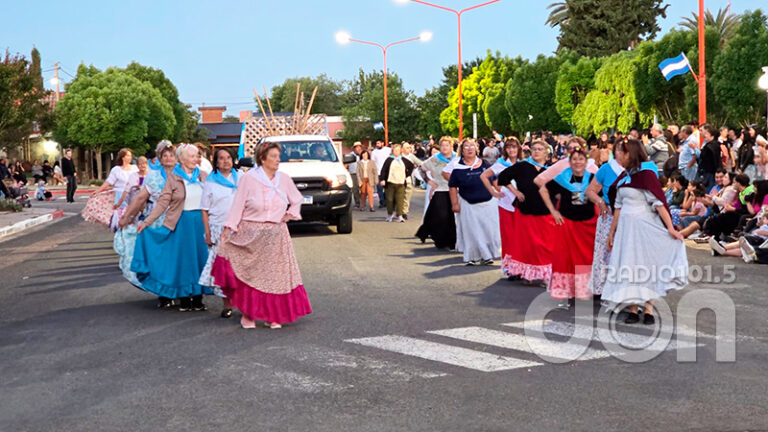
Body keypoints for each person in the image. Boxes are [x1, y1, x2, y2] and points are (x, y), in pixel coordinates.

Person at [211, 142, 312, 329]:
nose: (277, 160)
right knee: (252, 276)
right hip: (251, 232)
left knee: (274, 278)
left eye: (278, 156)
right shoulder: (249, 178)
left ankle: (272, 315)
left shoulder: (284, 178)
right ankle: (249, 315)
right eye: (273, 156)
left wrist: (289, 215)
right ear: (262, 158)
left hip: (276, 234)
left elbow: (297, 199)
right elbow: (238, 205)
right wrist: (229, 228)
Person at [603, 139, 688, 324]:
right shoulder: (623, 177)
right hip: (626, 230)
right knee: (629, 266)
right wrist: (612, 232)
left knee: (646, 266)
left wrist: (671, 229)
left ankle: (648, 308)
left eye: (618, 151)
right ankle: (633, 308)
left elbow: (659, 204)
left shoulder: (646, 175)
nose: (615, 154)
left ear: (629, 153)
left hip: (644, 228)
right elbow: (617, 206)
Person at [132, 144, 211, 311]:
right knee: (184, 261)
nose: (195, 159)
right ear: (181, 159)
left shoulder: (203, 176)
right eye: (192, 156)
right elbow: (162, 203)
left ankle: (198, 297)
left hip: (200, 223)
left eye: (197, 156)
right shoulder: (174, 178)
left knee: (199, 259)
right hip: (181, 223)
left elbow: (214, 198)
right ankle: (184, 298)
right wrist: (146, 222)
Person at [539, 149, 598, 308]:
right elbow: (543, 189)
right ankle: (569, 292)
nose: (578, 162)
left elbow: (603, 194)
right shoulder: (562, 178)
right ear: (570, 162)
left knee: (589, 258)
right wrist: (553, 211)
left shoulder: (593, 178)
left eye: (581, 159)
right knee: (567, 259)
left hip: (588, 225)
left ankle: (589, 291)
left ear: (586, 162)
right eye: (574, 159)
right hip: (568, 225)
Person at [118, 143, 177, 296]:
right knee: (160, 258)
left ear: (177, 159)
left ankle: (180, 289)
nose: (168, 158)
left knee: (177, 257)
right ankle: (163, 292)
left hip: (179, 220)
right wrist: (127, 216)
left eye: (171, 155)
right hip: (158, 221)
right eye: (165, 156)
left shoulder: (182, 175)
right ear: (160, 159)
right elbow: (140, 199)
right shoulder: (154, 177)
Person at [497, 140, 555, 283]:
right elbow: (503, 177)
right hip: (525, 210)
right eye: (534, 149)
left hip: (545, 211)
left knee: (544, 245)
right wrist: (515, 192)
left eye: (540, 149)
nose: (536, 151)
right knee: (526, 244)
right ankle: (526, 274)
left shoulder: (551, 168)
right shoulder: (522, 166)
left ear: (546, 152)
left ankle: (543, 276)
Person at [199, 148, 239, 318]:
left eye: (228, 158)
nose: (225, 161)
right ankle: (227, 304)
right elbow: (204, 210)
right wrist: (207, 232)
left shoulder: (242, 178)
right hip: (218, 229)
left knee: (240, 268)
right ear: (215, 162)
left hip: (239, 229)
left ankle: (244, 303)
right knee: (224, 269)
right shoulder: (210, 182)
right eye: (221, 159)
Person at [449, 139, 500, 266]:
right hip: (468, 203)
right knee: (471, 231)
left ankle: (487, 256)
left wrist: (503, 194)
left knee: (489, 230)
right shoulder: (457, 168)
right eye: (466, 147)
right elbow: (452, 187)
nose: (470, 149)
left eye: (472, 146)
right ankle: (471, 256)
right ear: (462, 151)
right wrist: (455, 204)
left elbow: (494, 181)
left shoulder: (485, 164)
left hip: (488, 203)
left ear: (476, 149)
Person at [585, 144, 625, 297]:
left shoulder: (637, 169)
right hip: (608, 214)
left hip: (628, 216)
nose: (623, 154)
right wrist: (600, 202)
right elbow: (590, 191)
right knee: (604, 252)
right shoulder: (607, 169)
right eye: (620, 150)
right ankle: (600, 288)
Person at [480, 138, 522, 277]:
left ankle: (521, 266)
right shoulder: (501, 164)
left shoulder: (525, 164)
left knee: (520, 236)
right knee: (508, 236)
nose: (511, 150)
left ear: (519, 148)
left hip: (522, 204)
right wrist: (493, 192)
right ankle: (509, 267)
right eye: (508, 148)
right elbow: (484, 176)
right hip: (506, 204)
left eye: (514, 147)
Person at [416, 137, 457, 249]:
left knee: (453, 217)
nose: (444, 148)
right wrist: (429, 181)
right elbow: (421, 168)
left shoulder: (457, 158)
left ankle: (453, 241)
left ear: (451, 146)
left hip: (455, 190)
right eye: (442, 145)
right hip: (440, 189)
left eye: (447, 145)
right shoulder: (435, 159)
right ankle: (440, 240)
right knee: (441, 217)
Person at [379, 144, 415, 223]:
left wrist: (407, 175)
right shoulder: (389, 160)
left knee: (400, 200)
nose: (396, 152)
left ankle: (399, 215)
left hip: (401, 183)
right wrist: (382, 179)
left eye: (398, 150)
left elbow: (411, 166)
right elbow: (383, 170)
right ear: (392, 151)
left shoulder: (403, 160)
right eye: (395, 150)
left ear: (400, 151)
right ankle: (390, 214)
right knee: (390, 199)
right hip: (390, 182)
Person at [697, 124, 722, 192]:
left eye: (706, 134)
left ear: (712, 135)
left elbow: (715, 161)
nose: (704, 136)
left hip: (710, 172)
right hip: (706, 172)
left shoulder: (711, 146)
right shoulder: (710, 145)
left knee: (709, 190)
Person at [402, 143, 423, 220]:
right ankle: (399, 211)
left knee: (407, 197)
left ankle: (404, 212)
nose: (409, 149)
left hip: (408, 180)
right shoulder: (398, 156)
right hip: (399, 180)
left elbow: (421, 163)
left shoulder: (411, 157)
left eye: (410, 148)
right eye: (407, 148)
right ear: (402, 149)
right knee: (399, 196)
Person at [370, 140, 391, 208]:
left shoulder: (388, 150)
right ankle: (382, 201)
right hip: (378, 172)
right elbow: (372, 162)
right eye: (376, 143)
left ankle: (385, 199)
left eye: (378, 143)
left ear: (382, 143)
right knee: (379, 188)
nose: (377, 144)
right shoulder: (374, 152)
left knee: (387, 187)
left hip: (387, 172)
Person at [348, 142, 362, 208]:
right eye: (357, 147)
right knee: (355, 188)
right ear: (354, 148)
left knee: (363, 188)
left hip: (362, 173)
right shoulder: (350, 155)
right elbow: (346, 164)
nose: (358, 148)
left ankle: (362, 201)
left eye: (359, 147)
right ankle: (357, 202)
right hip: (353, 173)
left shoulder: (363, 154)